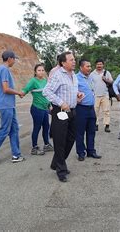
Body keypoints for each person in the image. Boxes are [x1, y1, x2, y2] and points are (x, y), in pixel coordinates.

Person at [43, 51, 83, 182]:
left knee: (71, 138)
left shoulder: (74, 76)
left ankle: (57, 163)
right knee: (60, 141)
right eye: (71, 60)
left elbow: (71, 90)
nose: (74, 61)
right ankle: (61, 169)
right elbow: (46, 91)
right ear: (63, 63)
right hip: (60, 112)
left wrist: (78, 94)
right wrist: (61, 102)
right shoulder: (58, 75)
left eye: (74, 59)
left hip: (72, 111)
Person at [21, 63, 54, 156]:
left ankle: (46, 145)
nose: (41, 72)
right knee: (37, 127)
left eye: (43, 70)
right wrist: (22, 93)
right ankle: (34, 148)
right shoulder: (33, 81)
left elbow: (48, 94)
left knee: (46, 127)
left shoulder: (45, 81)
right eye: (39, 70)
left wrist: (50, 104)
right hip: (36, 108)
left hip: (45, 109)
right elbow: (26, 89)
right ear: (35, 72)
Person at [75, 59, 102, 161]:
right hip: (81, 109)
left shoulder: (90, 78)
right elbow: (73, 90)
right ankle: (81, 152)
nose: (90, 68)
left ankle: (91, 151)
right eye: (87, 66)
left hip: (91, 109)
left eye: (90, 66)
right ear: (81, 67)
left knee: (91, 131)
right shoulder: (76, 78)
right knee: (80, 132)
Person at [89, 58, 113, 133]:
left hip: (105, 94)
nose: (99, 65)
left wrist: (105, 79)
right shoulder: (92, 74)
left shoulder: (107, 73)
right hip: (95, 95)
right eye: (98, 64)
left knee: (106, 111)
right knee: (95, 111)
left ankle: (107, 125)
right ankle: (95, 125)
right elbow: (89, 84)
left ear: (103, 65)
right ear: (95, 65)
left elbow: (112, 82)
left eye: (100, 64)